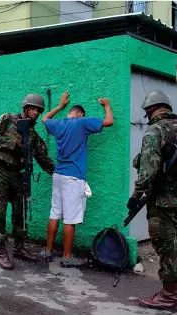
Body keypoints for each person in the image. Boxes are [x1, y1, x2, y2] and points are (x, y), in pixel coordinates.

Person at [129, 90, 177, 310]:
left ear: (150, 110)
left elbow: (148, 170)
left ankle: (168, 295)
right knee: (174, 239)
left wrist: (136, 197)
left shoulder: (155, 131)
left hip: (163, 199)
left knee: (164, 244)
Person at [39, 91, 114, 267]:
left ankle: (48, 251)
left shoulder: (59, 124)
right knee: (70, 218)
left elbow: (44, 119)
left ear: (69, 112)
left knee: (54, 214)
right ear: (81, 114)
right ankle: (67, 257)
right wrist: (107, 105)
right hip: (73, 178)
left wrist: (59, 106)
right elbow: (109, 122)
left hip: (58, 175)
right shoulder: (82, 122)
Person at [0, 93, 55, 270]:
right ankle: (2, 250)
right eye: (33, 109)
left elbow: (42, 157)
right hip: (0, 171)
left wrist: (58, 173)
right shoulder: (7, 119)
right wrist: (14, 145)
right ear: (25, 108)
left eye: (39, 110)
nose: (36, 113)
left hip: (17, 174)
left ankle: (19, 247)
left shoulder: (32, 135)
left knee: (20, 212)